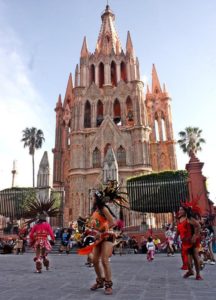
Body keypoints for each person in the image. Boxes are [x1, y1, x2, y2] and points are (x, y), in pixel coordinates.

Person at [78, 182, 128, 295]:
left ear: (98, 198)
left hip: (107, 236)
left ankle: (108, 284)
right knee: (95, 261)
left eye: (94, 198)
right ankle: (100, 280)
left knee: (105, 260)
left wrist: (101, 231)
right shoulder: (95, 211)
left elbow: (112, 222)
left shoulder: (103, 208)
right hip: (98, 237)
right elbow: (94, 222)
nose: (92, 199)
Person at [176, 202, 202, 280]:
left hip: (192, 241)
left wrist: (195, 236)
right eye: (179, 209)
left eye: (181, 210)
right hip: (184, 242)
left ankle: (198, 275)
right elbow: (179, 229)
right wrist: (176, 236)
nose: (179, 211)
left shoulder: (189, 219)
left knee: (195, 257)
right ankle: (190, 271)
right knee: (186, 259)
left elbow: (198, 226)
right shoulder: (179, 219)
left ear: (185, 211)